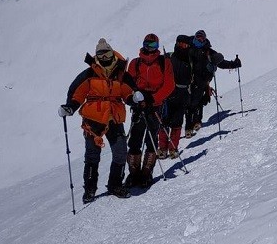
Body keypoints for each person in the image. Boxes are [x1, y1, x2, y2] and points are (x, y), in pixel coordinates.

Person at [59, 39, 137, 202]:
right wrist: (70, 107)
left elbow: (128, 92)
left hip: (114, 118)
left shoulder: (120, 73)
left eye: (106, 53)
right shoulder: (90, 74)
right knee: (92, 156)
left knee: (120, 153)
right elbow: (77, 94)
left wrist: (134, 99)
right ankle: (90, 190)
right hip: (93, 121)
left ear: (111, 53)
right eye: (100, 54)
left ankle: (115, 185)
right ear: (96, 56)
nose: (104, 57)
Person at [126, 33, 175, 188]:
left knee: (151, 139)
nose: (149, 48)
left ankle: (147, 173)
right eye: (147, 44)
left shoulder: (164, 62)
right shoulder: (135, 63)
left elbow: (169, 85)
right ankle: (134, 174)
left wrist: (153, 99)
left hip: (155, 106)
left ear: (158, 46)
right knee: (135, 139)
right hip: (139, 106)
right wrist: (135, 98)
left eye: (153, 45)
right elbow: (128, 84)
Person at [185, 29, 242, 136]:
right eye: (198, 37)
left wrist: (233, 64)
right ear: (195, 38)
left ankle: (195, 123)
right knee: (191, 103)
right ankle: (190, 126)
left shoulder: (208, 52)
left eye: (202, 38)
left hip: (202, 81)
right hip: (191, 81)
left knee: (199, 102)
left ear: (205, 39)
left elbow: (221, 63)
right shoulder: (189, 50)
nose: (200, 40)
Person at [157, 34, 193, 158]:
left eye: (185, 44)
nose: (183, 46)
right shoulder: (168, 57)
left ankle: (173, 148)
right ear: (177, 44)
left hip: (182, 94)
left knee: (177, 121)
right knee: (164, 121)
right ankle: (162, 148)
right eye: (181, 44)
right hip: (168, 93)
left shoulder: (190, 59)